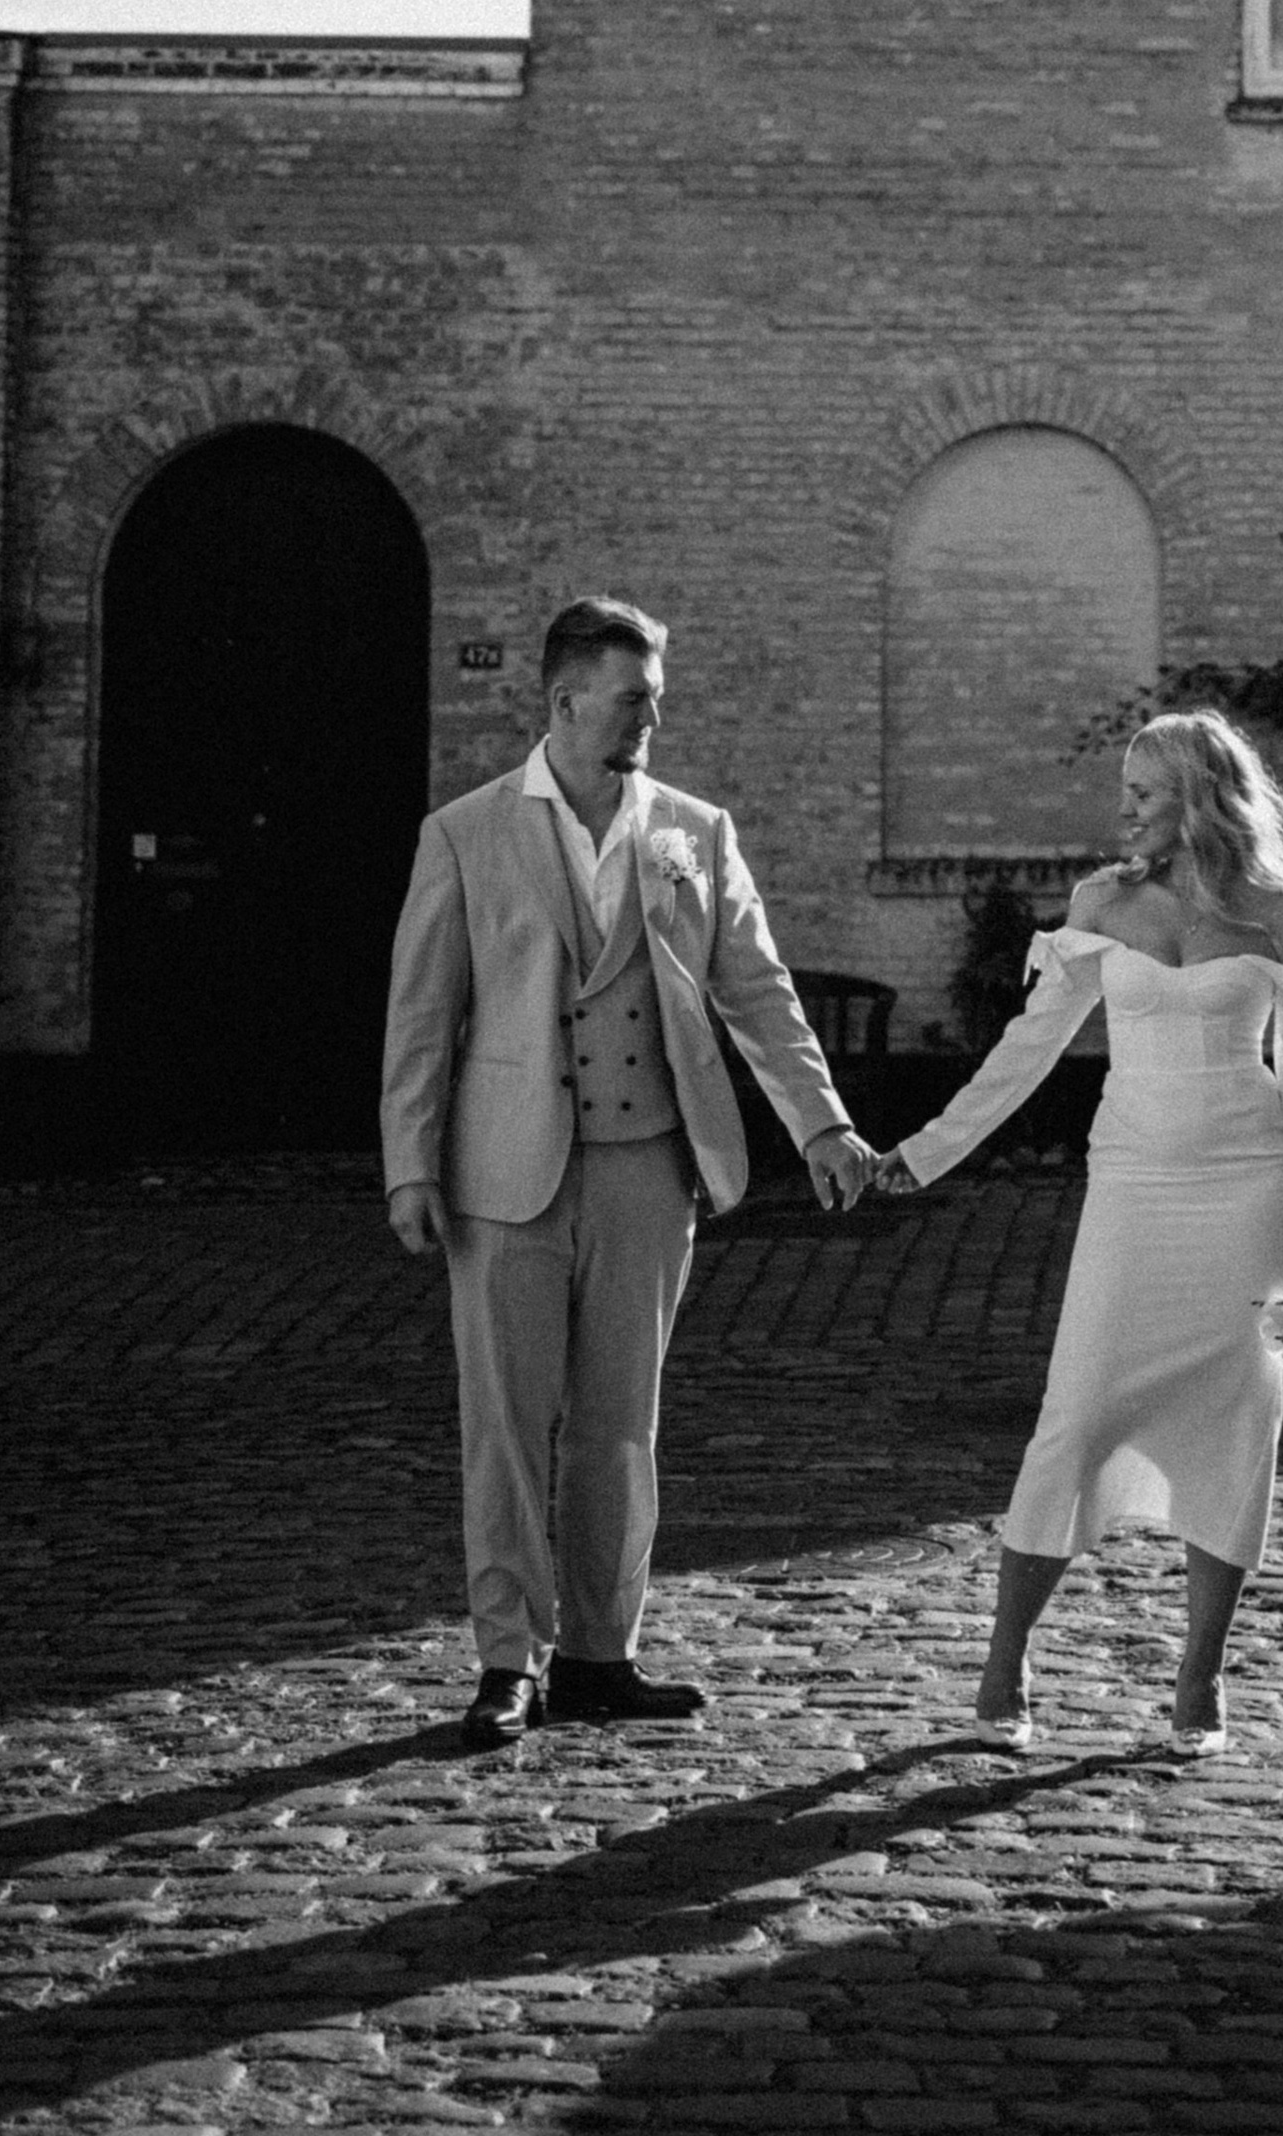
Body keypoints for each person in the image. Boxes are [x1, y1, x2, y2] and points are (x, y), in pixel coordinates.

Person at [382, 594, 880, 1748]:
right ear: (564, 701)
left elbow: (756, 987)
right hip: (503, 1171)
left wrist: (821, 1122)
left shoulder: (692, 831)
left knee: (618, 1421)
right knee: (506, 1424)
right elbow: (421, 1014)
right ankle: (508, 1659)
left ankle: (601, 1654)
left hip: (649, 1168)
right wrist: (409, 1160)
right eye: (633, 699)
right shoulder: (464, 831)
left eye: (656, 699)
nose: (652, 719)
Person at [874, 707, 1283, 1756]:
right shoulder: (1101, 902)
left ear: (1199, 799)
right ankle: (1006, 1656)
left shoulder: (1278, 913)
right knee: (1075, 1410)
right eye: (1124, 792)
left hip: (1250, 1189)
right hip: (1134, 1182)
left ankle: (1200, 1675)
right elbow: (1027, 1048)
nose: (1123, 810)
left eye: (1143, 792)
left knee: (1239, 1418)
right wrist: (926, 1149)